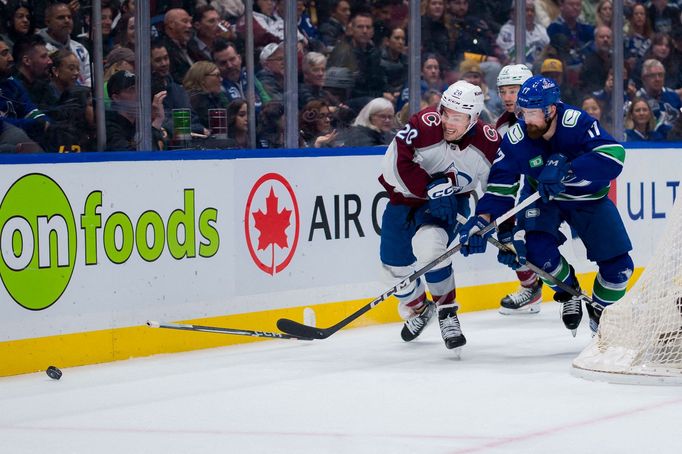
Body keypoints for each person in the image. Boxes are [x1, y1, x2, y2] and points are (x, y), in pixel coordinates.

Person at [459, 76, 633, 336]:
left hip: (588, 199)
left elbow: (614, 156)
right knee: (537, 253)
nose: (525, 118)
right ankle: (568, 291)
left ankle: (600, 313)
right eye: (523, 111)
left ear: (551, 110)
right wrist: (482, 219)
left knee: (620, 268)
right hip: (543, 199)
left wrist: (570, 169)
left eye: (532, 112)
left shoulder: (577, 123)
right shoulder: (517, 137)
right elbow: (501, 186)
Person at [378, 80, 500, 351]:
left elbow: (497, 189)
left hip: (449, 204)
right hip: (405, 199)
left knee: (429, 247)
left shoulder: (488, 143)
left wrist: (485, 222)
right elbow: (393, 163)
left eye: (457, 117)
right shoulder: (423, 123)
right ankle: (420, 308)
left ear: (474, 118)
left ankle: (447, 312)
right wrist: (429, 186)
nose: (447, 122)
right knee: (392, 266)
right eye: (446, 112)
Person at [493, 63, 544, 315]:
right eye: (503, 91)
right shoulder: (503, 126)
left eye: (513, 91)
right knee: (515, 236)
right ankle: (531, 286)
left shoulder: (550, 113)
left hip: (566, 188)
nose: (506, 98)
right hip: (531, 188)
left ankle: (572, 293)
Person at [106, 70, 167, 151]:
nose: (139, 94)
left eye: (139, 88)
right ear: (116, 98)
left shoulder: (140, 124)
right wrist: (156, 123)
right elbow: (131, 158)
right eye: (132, 89)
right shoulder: (109, 127)